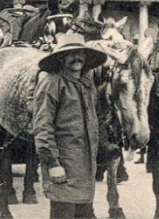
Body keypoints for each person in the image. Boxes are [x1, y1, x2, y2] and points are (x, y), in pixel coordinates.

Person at [33, 33, 108, 219]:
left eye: (80, 53)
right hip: (63, 167)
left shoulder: (86, 84)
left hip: (85, 168)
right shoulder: (52, 83)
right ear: (60, 57)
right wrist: (52, 163)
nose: (77, 58)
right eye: (71, 54)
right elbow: (43, 127)